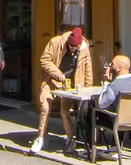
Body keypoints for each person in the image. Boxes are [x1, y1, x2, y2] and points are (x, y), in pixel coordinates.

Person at [31, 26, 93, 154]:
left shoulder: (84, 49)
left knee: (65, 110)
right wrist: (57, 74)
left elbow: (88, 69)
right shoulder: (56, 42)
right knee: (45, 107)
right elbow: (44, 60)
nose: (72, 49)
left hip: (70, 82)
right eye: (70, 46)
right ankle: (40, 137)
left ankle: (70, 139)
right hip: (50, 79)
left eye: (75, 47)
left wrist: (88, 88)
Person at [88, 54, 131, 150]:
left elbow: (102, 103)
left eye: (112, 64)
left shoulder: (115, 85)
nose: (110, 65)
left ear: (119, 68)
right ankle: (116, 143)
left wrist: (106, 82)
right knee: (121, 110)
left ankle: (91, 149)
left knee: (92, 112)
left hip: (119, 121)